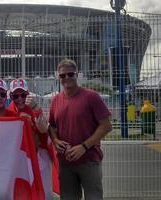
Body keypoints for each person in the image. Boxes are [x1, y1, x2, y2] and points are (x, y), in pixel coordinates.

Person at [48, 59, 112, 200]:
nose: (66, 78)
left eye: (70, 74)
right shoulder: (55, 100)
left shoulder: (91, 97)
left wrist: (83, 146)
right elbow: (51, 126)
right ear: (58, 77)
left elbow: (106, 125)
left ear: (77, 75)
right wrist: (55, 140)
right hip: (65, 163)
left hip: (89, 160)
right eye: (62, 76)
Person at [8, 78, 55, 199]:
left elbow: (44, 130)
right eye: (16, 95)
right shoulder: (9, 111)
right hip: (19, 157)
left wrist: (33, 120)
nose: (19, 99)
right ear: (11, 96)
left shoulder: (33, 109)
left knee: (44, 193)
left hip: (39, 154)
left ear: (27, 94)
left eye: (23, 95)